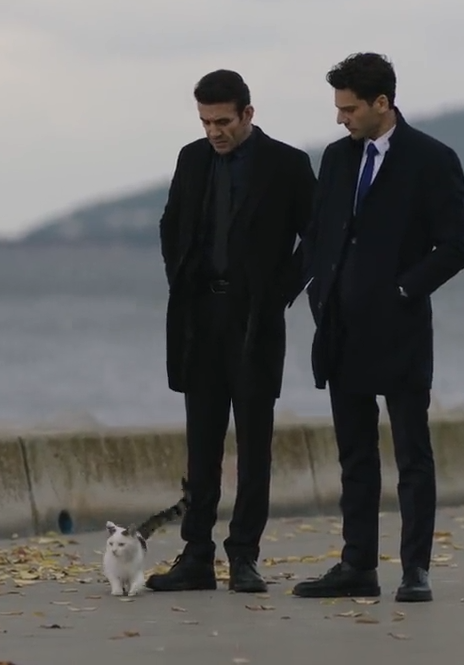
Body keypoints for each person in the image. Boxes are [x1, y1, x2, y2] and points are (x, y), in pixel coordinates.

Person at [290, 53, 464, 603]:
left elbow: (457, 247)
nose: (340, 118)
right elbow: (319, 234)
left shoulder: (432, 159)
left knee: (412, 456)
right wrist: (306, 291)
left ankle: (415, 570)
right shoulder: (336, 158)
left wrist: (402, 290)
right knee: (355, 457)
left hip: (400, 331)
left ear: (382, 103)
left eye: (349, 109)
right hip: (341, 330)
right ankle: (357, 566)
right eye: (338, 108)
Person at [149, 69, 316, 594]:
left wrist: (278, 294)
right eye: (205, 122)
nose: (214, 132)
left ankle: (244, 555)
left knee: (254, 445)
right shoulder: (192, 159)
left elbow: (315, 239)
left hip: (254, 321)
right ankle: (196, 556)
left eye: (222, 122)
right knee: (201, 445)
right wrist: (181, 279)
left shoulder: (287, 164)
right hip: (200, 317)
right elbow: (171, 224)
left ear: (248, 113)